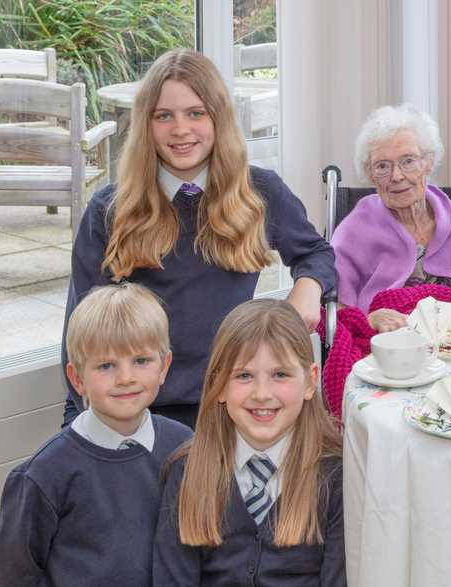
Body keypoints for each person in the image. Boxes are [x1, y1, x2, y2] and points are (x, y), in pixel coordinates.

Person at [63, 49, 335, 429]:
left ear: (219, 118)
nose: (180, 129)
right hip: (137, 409)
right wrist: (82, 420)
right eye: (164, 116)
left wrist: (308, 286)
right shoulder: (110, 209)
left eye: (196, 113)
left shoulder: (260, 192)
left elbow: (317, 252)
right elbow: (80, 332)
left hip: (228, 403)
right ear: (145, 124)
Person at [0, 283, 192, 586]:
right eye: (106, 365)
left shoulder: (183, 447)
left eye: (141, 361)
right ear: (77, 379)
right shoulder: (43, 475)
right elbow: (17, 575)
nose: (126, 378)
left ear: (164, 366)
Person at [154, 299, 345, 586]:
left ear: (310, 381)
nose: (262, 393)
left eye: (280, 374)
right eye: (244, 376)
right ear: (219, 385)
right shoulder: (187, 471)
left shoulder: (335, 475)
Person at [333, 103, 451, 333]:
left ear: (428, 163)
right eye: (382, 166)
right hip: (392, 350)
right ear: (370, 175)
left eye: (408, 161)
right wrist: (370, 320)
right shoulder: (354, 230)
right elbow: (335, 313)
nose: (397, 176)